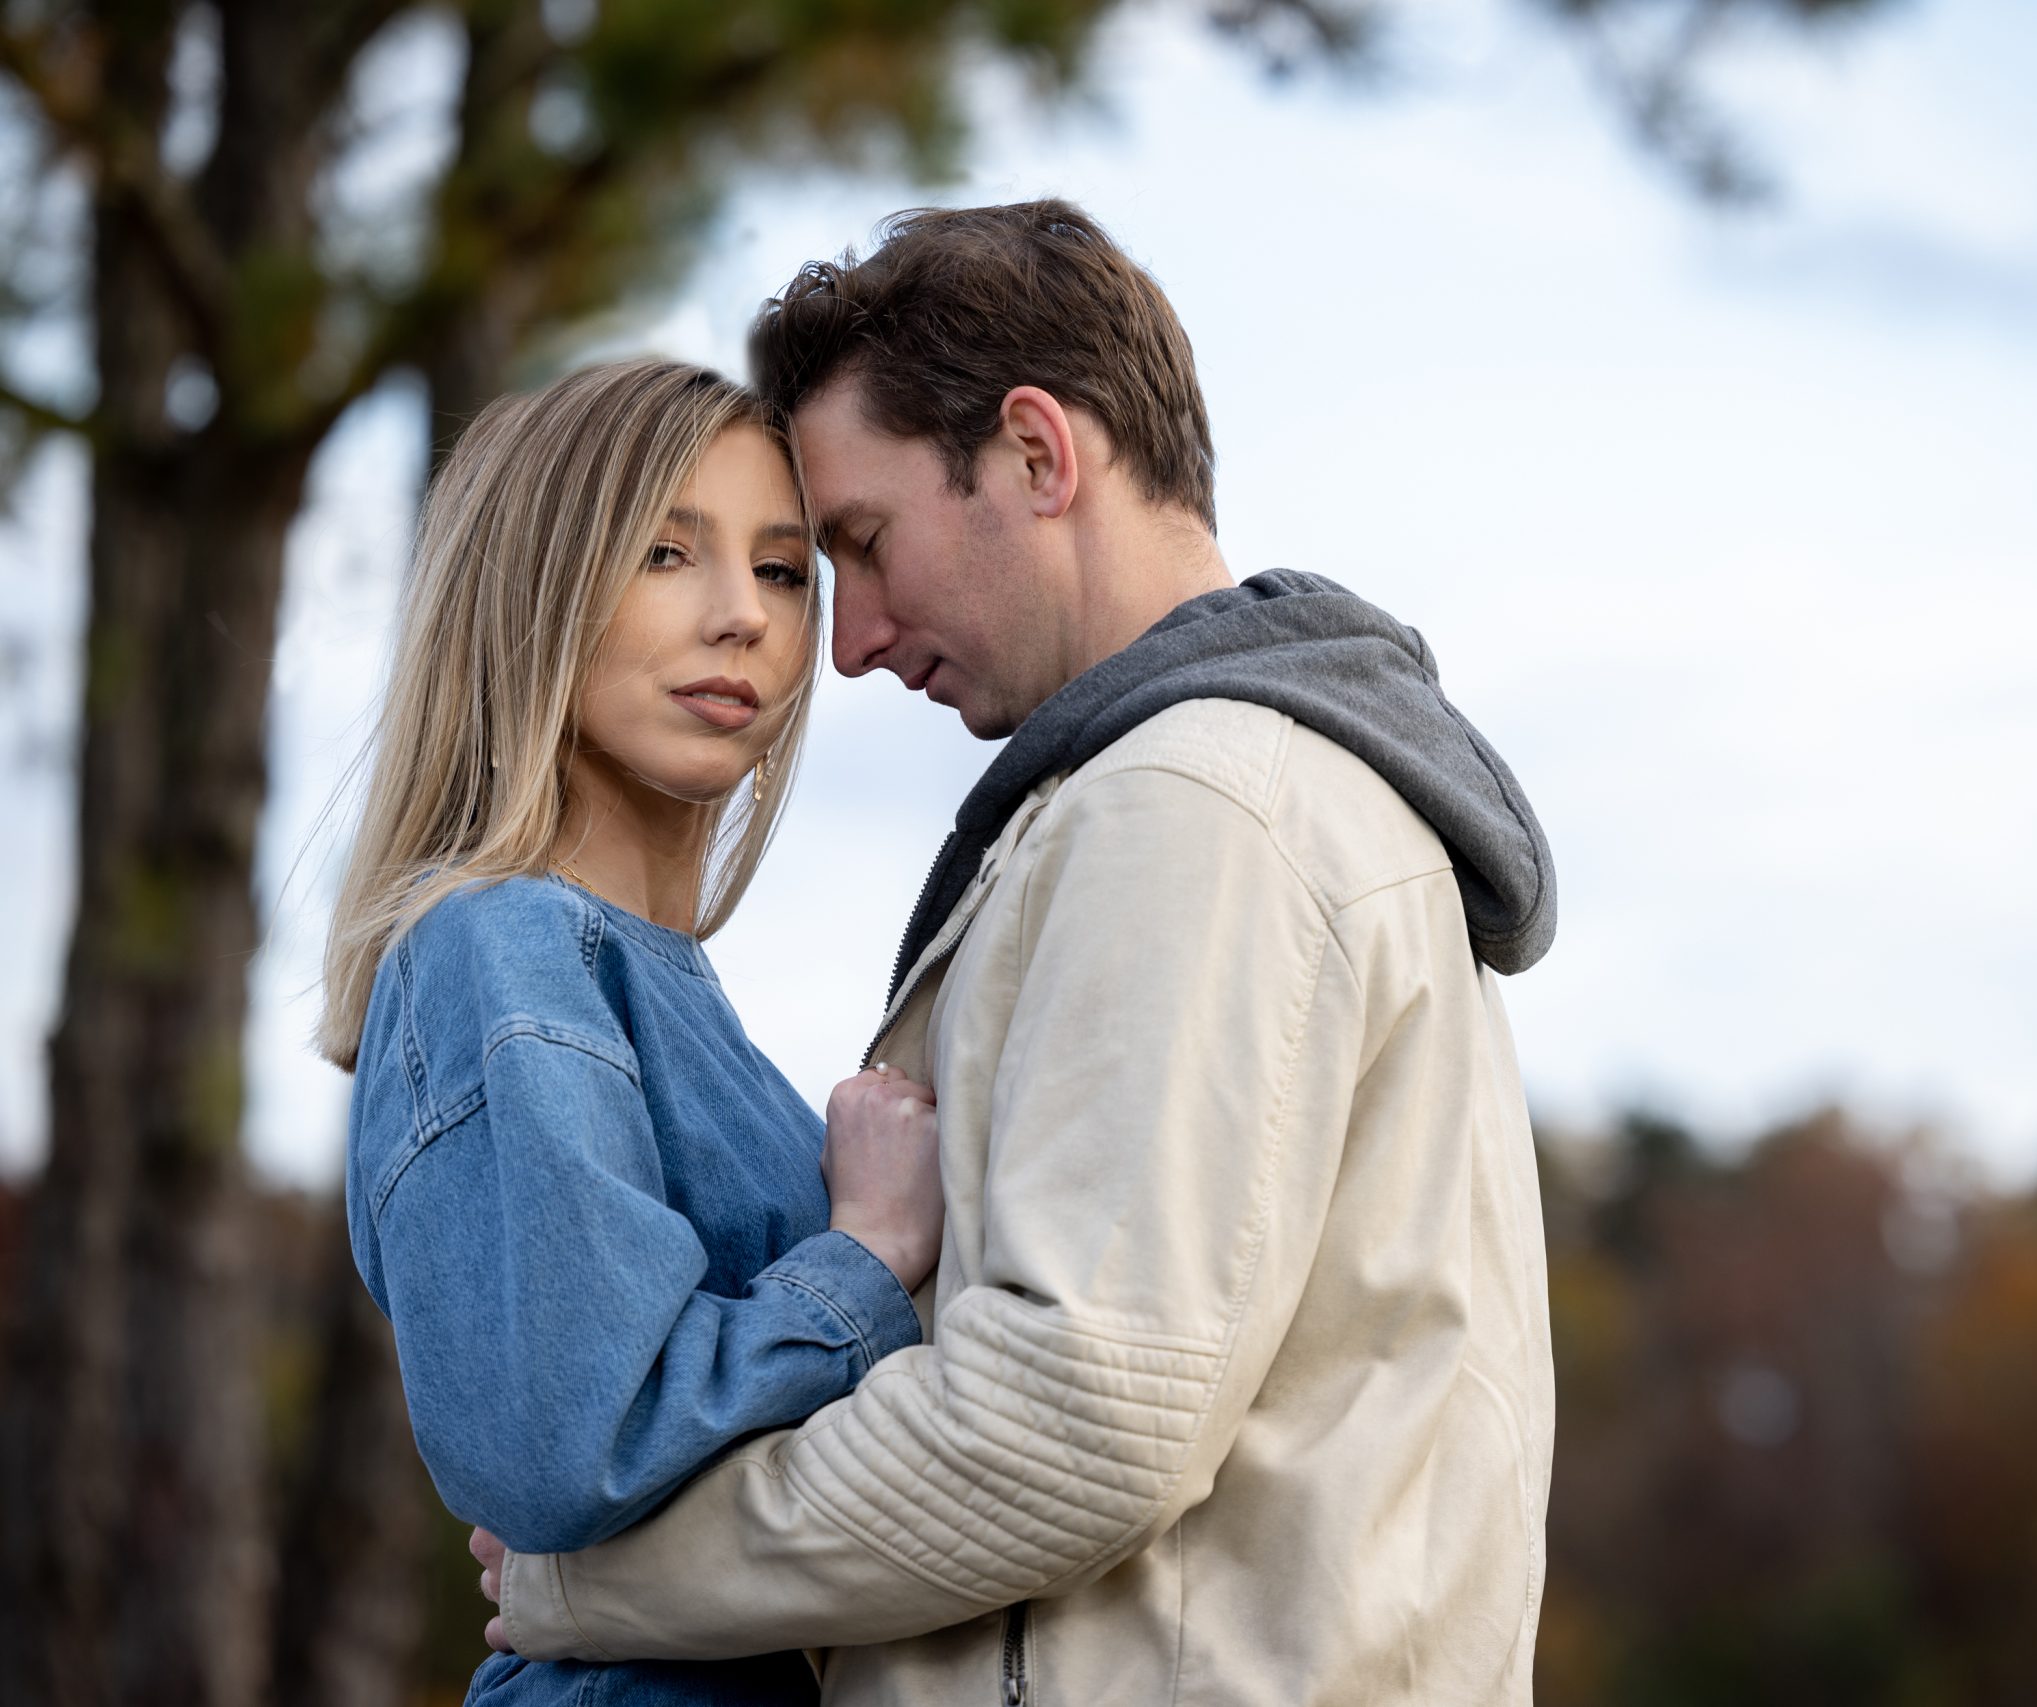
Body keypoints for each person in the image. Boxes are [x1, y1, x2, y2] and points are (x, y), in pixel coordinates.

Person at [481, 201, 1561, 1704]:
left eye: (862, 542)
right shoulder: (1235, 793)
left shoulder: (1196, 805)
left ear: (1041, 456)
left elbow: (1073, 1417)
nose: (845, 642)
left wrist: (601, 1581)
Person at [319, 358, 946, 1706]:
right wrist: (870, 1257)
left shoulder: (651, 982)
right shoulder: (504, 946)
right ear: (531, 590)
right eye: (666, 552)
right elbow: (576, 1441)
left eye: (785, 571)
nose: (742, 618)